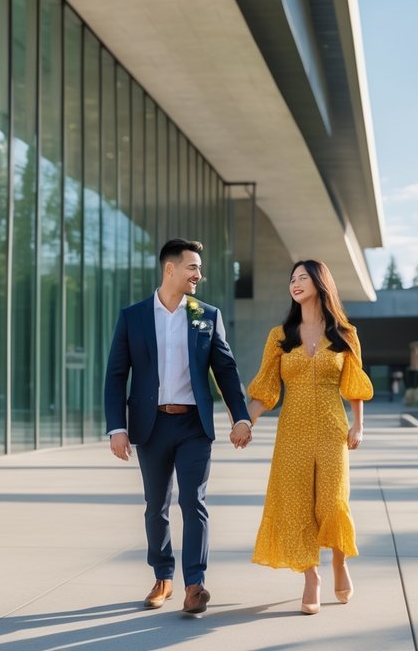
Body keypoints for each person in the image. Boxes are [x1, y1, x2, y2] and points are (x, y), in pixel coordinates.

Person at [104, 238, 253, 615]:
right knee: (156, 506)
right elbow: (116, 375)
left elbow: (226, 371)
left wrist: (241, 416)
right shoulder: (133, 316)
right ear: (170, 269)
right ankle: (163, 576)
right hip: (150, 426)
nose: (199, 275)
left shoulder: (206, 315)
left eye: (199, 269)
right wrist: (116, 428)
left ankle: (195, 585)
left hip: (193, 426)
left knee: (194, 502)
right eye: (192, 267)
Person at [246, 259, 373, 615]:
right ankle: (311, 578)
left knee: (333, 502)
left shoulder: (345, 333)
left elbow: (355, 386)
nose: (296, 283)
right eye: (292, 279)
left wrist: (358, 425)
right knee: (298, 506)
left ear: (320, 283)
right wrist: (246, 423)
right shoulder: (280, 336)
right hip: (292, 432)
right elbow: (266, 390)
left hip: (333, 430)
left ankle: (339, 561)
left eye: (303, 277)